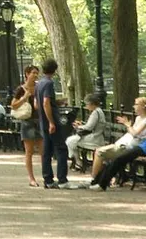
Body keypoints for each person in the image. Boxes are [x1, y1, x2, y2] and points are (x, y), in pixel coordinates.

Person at [93, 107, 146, 189]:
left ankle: (101, 184)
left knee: (118, 160)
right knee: (117, 160)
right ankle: (97, 181)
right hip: (140, 148)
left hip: (143, 151)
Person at [91, 97, 146, 179]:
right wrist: (128, 125)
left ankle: (94, 180)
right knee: (99, 152)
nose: (134, 106)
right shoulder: (138, 118)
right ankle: (102, 179)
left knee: (99, 152)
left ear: (143, 106)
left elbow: (134, 133)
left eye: (136, 104)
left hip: (129, 148)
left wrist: (127, 125)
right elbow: (132, 132)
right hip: (123, 144)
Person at [36, 58, 68, 187]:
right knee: (61, 149)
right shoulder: (49, 83)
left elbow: (37, 104)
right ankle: (62, 179)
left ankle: (47, 179)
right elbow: (45, 103)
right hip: (51, 122)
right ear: (55, 70)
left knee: (47, 151)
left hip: (42, 122)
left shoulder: (39, 84)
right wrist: (51, 122)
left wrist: (56, 102)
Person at [66, 91, 110, 167]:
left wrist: (78, 126)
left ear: (92, 104)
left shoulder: (96, 113)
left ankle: (77, 161)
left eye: (87, 104)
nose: (86, 106)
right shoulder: (98, 111)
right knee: (71, 141)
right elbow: (91, 125)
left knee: (70, 141)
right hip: (96, 137)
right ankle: (77, 161)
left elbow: (89, 127)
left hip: (95, 139)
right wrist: (82, 124)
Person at [13, 68, 41, 186]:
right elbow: (13, 106)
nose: (35, 75)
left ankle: (46, 176)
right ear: (27, 74)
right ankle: (32, 179)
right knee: (29, 152)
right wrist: (24, 98)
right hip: (27, 122)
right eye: (33, 73)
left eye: (36, 73)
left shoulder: (39, 87)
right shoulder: (21, 89)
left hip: (39, 121)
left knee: (43, 151)